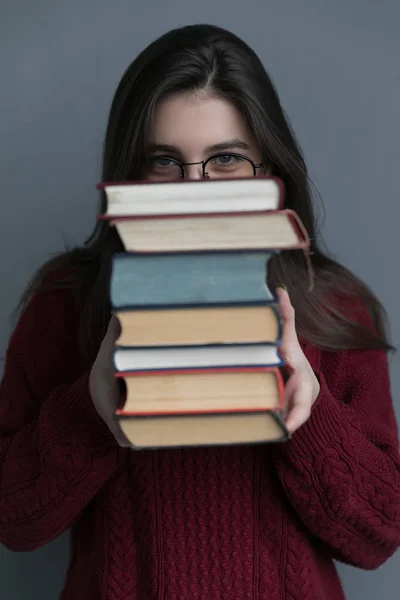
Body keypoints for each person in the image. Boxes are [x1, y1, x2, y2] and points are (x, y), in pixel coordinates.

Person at [0, 23, 399, 600]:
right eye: (163, 162)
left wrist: (309, 415)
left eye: (226, 159)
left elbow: (379, 536)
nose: (195, 191)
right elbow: (13, 522)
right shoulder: (65, 301)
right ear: (129, 175)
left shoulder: (333, 305)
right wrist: (90, 410)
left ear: (270, 172)